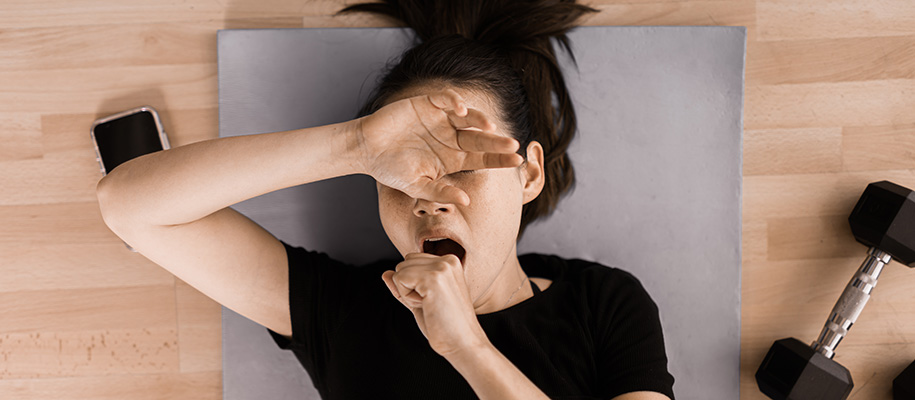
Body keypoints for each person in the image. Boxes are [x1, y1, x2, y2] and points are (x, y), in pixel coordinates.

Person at [96, 0, 675, 398]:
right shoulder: (345, 312)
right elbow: (129, 207)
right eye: (400, 178)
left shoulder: (605, 305)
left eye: (461, 168)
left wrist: (466, 346)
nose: (429, 199)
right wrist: (356, 144)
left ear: (527, 176)